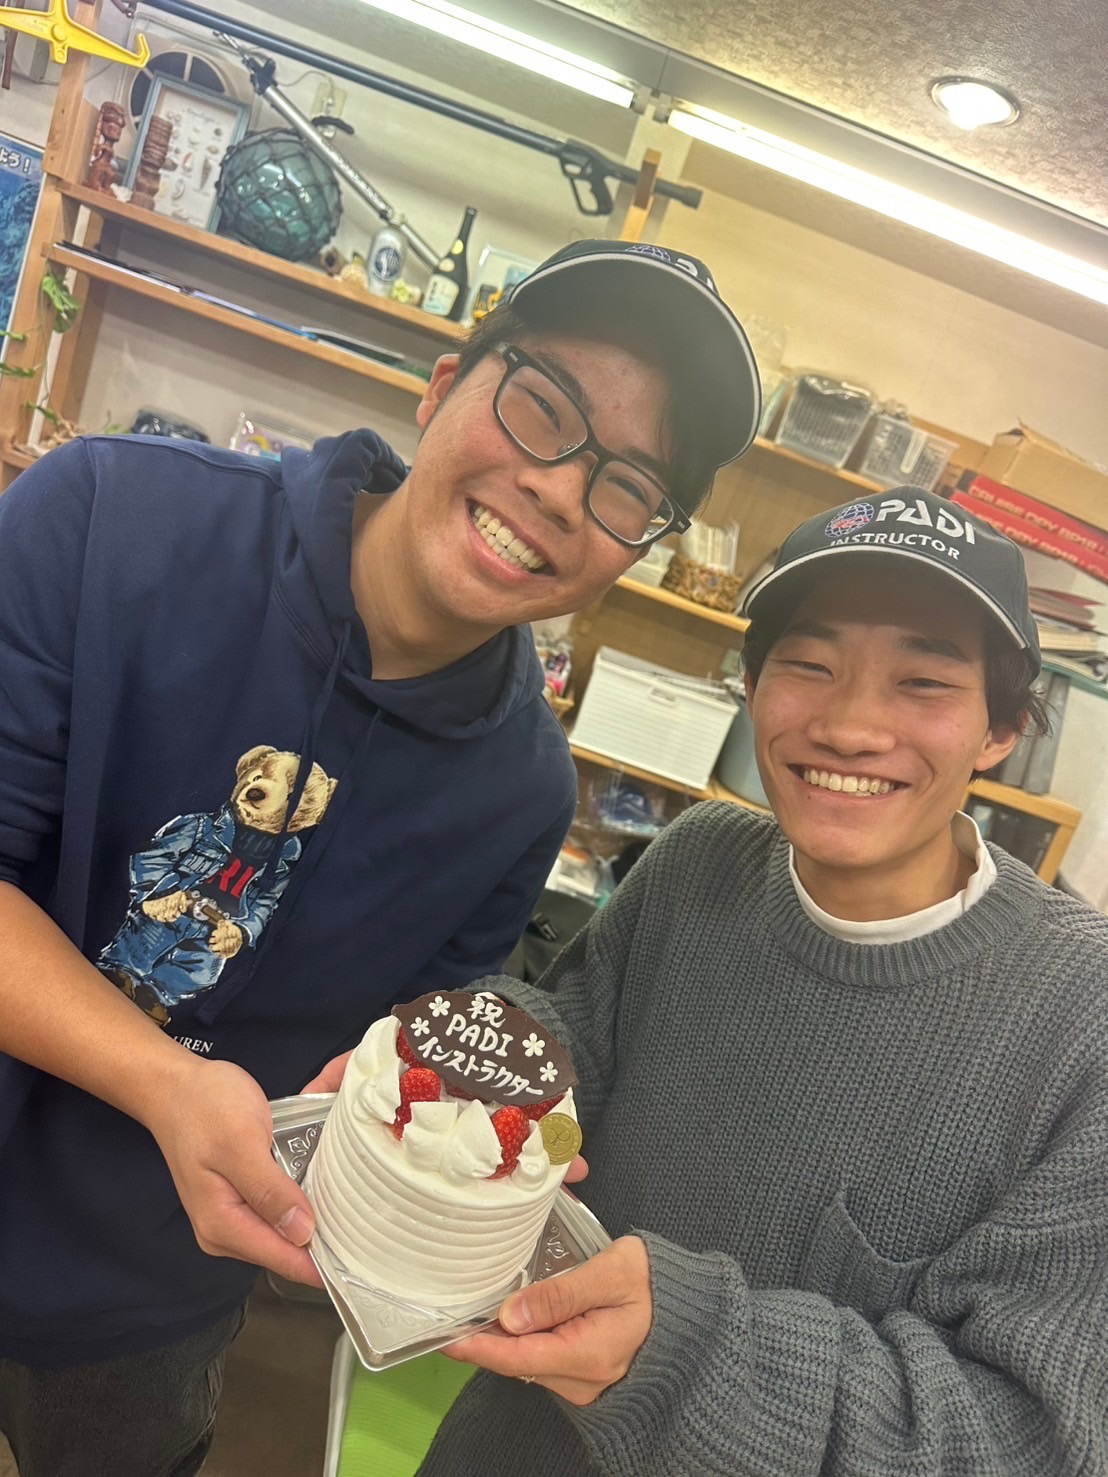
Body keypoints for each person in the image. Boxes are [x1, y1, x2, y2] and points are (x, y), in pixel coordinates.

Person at [0, 240, 762, 1477]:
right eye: (542, 407)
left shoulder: (521, 793)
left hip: (149, 1301)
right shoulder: (107, 515)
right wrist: (160, 1079)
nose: (563, 491)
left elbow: (388, 1068)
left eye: (630, 486)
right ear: (444, 382)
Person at [415, 489, 1108, 1477]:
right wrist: (463, 1057)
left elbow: (1025, 1437)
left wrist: (678, 1355)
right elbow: (573, 1047)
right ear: (752, 682)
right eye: (810, 665)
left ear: (1002, 729)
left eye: (922, 682)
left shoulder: (1082, 1019)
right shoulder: (699, 858)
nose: (850, 726)